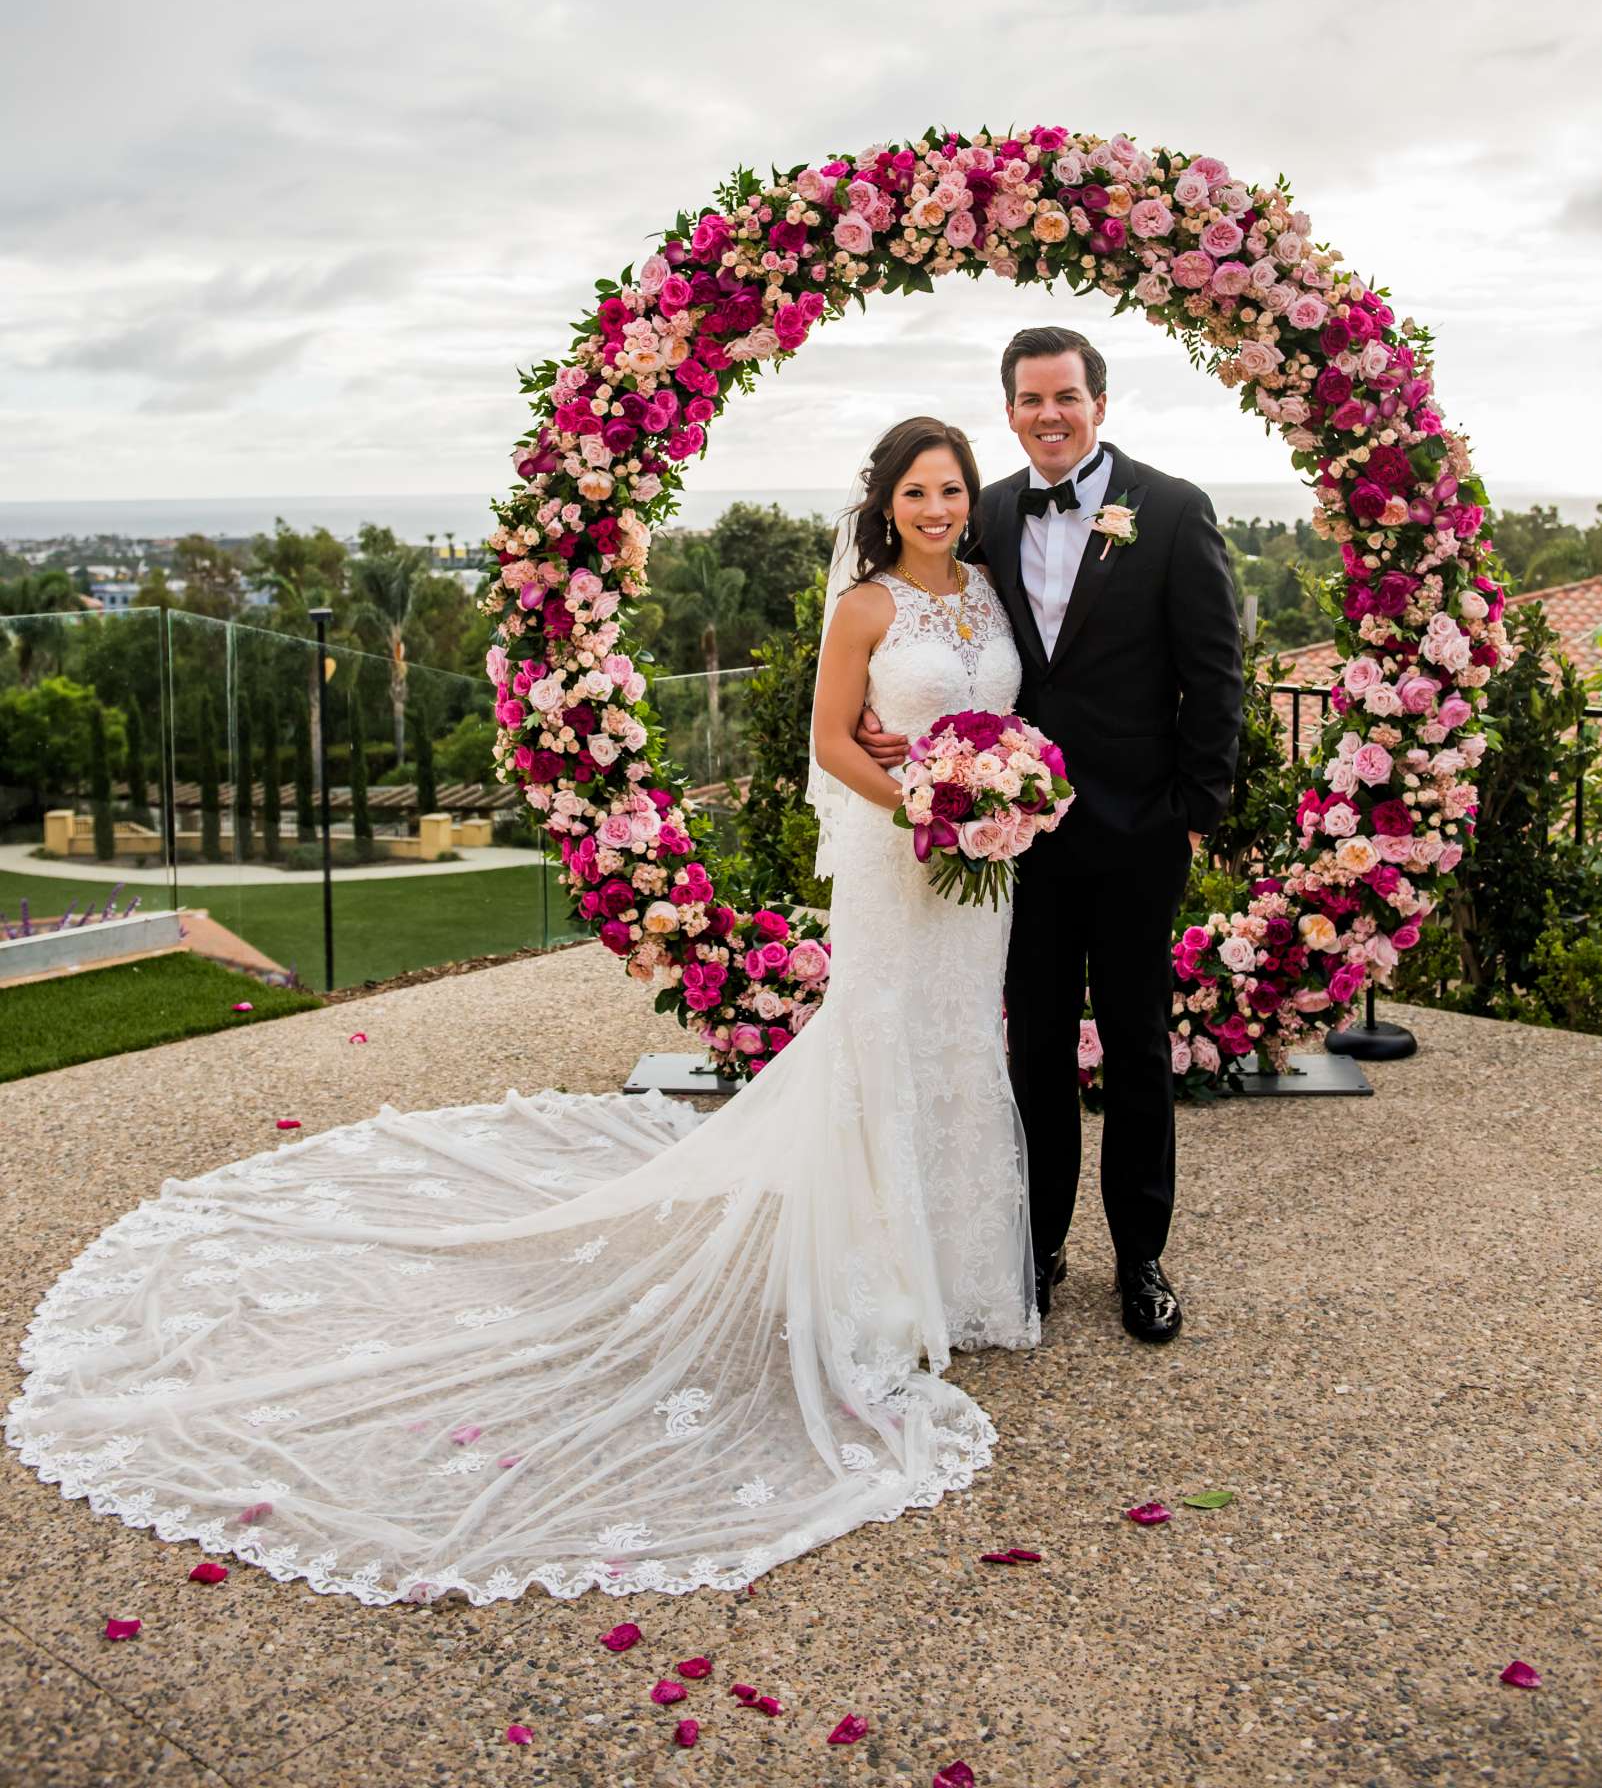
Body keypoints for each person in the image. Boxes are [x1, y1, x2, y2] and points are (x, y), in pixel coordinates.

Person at [6, 417, 1038, 1609]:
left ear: (971, 498)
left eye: (952, 488)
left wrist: (1003, 802)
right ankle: (875, 1281)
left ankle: (964, 1275)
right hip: (900, 858)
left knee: (961, 1045)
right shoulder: (864, 608)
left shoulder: (991, 597)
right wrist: (926, 806)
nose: (938, 506)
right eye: (918, 489)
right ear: (885, 500)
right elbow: (827, 742)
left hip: (985, 876)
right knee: (878, 1043)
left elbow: (1007, 723)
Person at [857, 327, 1244, 1342]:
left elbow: (1216, 676)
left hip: (1137, 833)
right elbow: (929, 623)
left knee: (1136, 1045)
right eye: (1029, 400)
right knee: (1032, 1049)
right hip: (1014, 843)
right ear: (1011, 410)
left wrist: (1193, 816)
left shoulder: (1170, 509)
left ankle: (1143, 1257)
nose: (1049, 415)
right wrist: (876, 721)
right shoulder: (980, 513)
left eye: (1065, 396)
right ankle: (1035, 1246)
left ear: (1100, 404)